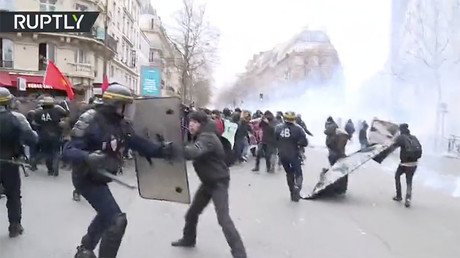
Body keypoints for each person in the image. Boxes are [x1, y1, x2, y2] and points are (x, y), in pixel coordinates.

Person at [63, 83, 173, 258]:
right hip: (85, 177)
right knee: (117, 220)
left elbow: (141, 145)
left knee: (107, 213)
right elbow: (68, 151)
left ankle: (85, 247)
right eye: (125, 105)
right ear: (114, 104)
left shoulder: (122, 125)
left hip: (101, 178)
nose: (127, 110)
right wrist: (87, 156)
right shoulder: (91, 119)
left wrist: (162, 150)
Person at [171, 111, 247, 258]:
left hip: (219, 182)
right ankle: (188, 239)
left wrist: (175, 149)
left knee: (223, 219)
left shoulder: (208, 138)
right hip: (208, 182)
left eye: (195, 122)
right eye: (190, 121)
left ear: (202, 124)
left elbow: (194, 151)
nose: (191, 124)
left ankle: (240, 253)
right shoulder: (202, 136)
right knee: (192, 213)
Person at [0, 87, 38, 237]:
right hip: (10, 163)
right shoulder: (17, 118)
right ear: (9, 102)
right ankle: (14, 226)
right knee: (13, 195)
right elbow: (32, 139)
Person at [275, 111, 308, 202]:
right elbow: (305, 142)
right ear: (294, 119)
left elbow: (275, 140)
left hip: (282, 155)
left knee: (289, 173)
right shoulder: (298, 129)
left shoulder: (278, 128)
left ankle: (291, 191)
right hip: (294, 154)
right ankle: (297, 187)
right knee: (298, 173)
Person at [33, 96, 68, 176]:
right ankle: (55, 167)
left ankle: (50, 169)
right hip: (55, 134)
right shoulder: (57, 110)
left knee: (46, 152)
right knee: (56, 151)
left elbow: (35, 123)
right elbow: (66, 115)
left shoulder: (38, 112)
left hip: (43, 135)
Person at [391, 123, 422, 208]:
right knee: (409, 181)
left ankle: (399, 196)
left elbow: (393, 146)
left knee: (397, 176)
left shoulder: (401, 137)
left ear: (401, 129)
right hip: (414, 164)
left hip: (404, 164)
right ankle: (408, 200)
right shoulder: (413, 137)